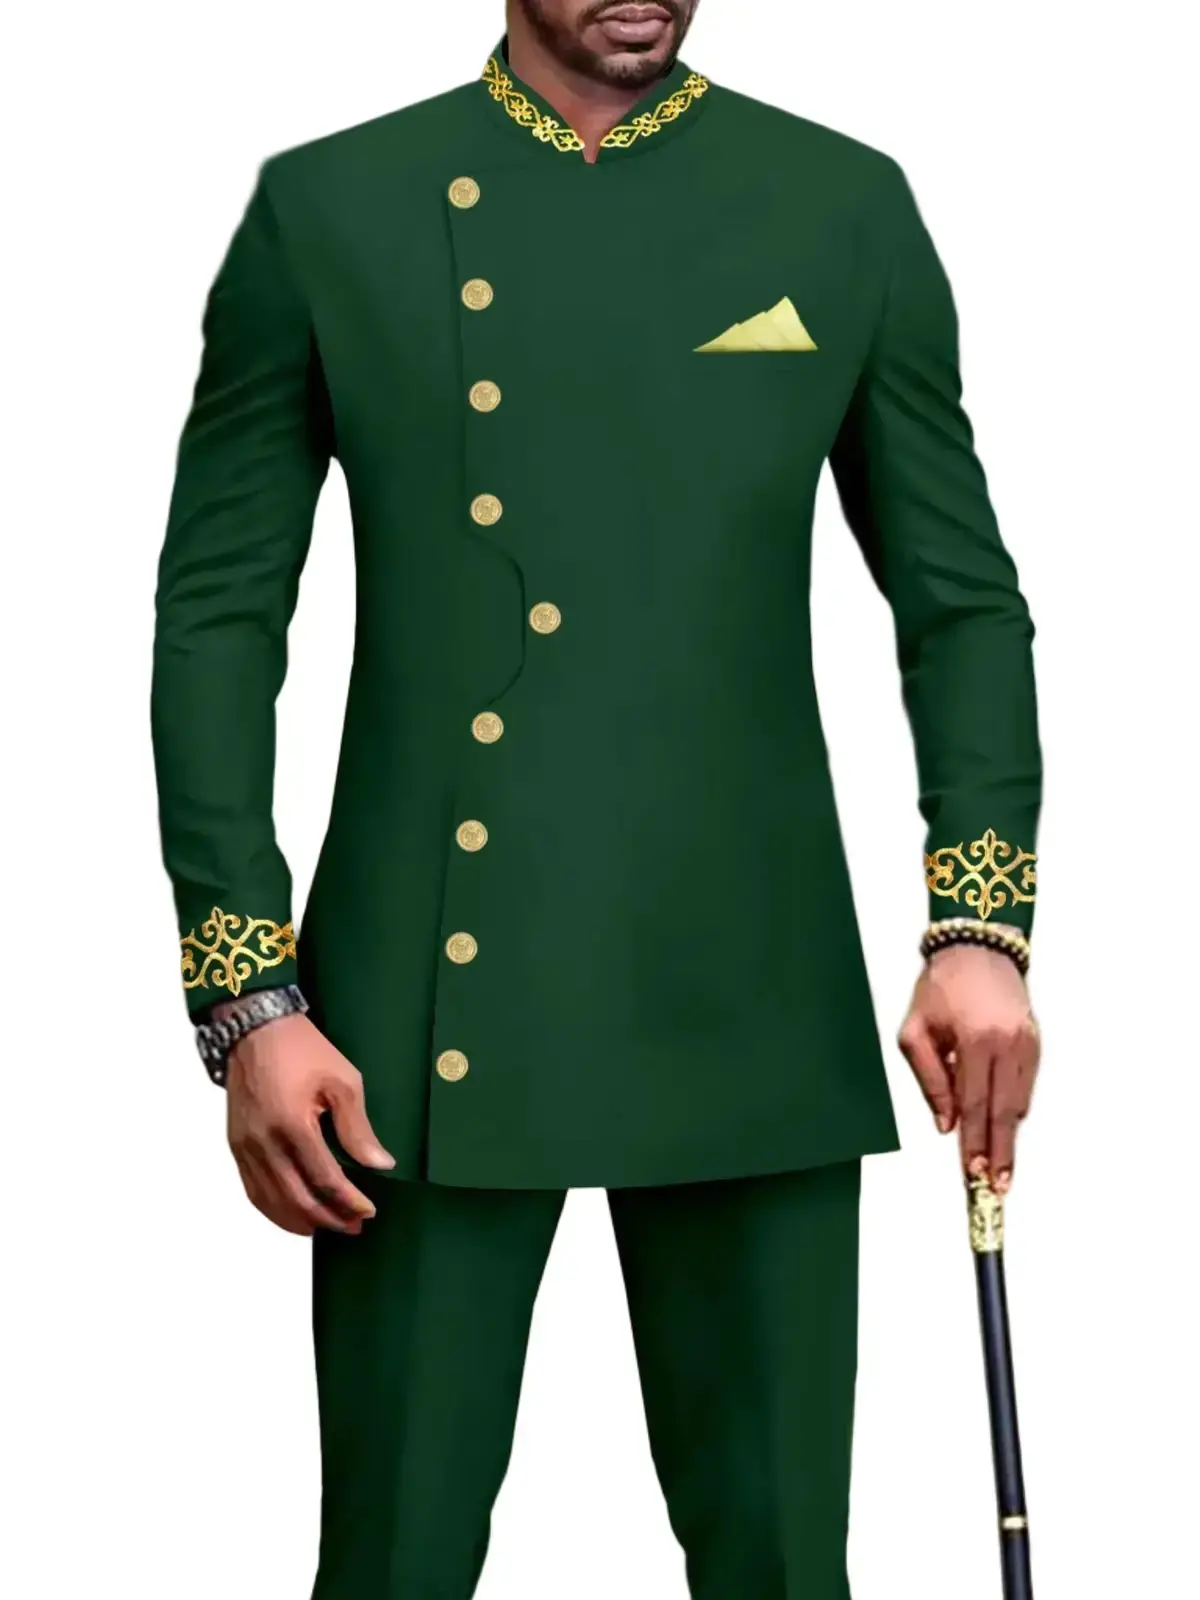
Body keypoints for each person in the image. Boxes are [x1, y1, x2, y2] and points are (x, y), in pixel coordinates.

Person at [152, 2, 1043, 1594]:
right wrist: (247, 994)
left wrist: (981, 928)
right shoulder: (331, 208)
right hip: (413, 1018)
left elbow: (962, 602)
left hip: (748, 988)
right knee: (392, 1566)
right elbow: (220, 618)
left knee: (784, 1570)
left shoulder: (837, 204)